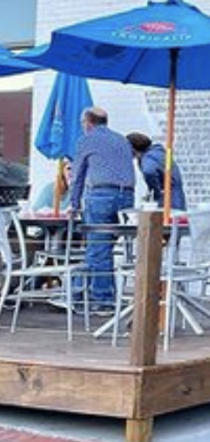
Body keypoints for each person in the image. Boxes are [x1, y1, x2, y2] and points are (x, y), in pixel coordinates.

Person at [67, 107, 135, 311]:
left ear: (88, 123)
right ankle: (78, 294)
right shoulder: (122, 140)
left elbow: (77, 175)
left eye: (82, 123)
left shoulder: (86, 140)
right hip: (127, 197)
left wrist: (74, 203)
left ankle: (102, 300)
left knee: (98, 249)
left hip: (101, 196)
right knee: (102, 249)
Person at [126, 132, 187, 211]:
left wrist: (155, 191)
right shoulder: (159, 153)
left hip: (167, 201)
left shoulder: (149, 157)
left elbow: (149, 172)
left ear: (132, 149)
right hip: (176, 198)